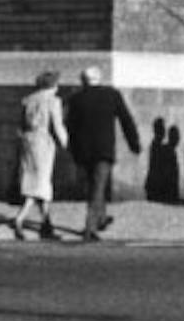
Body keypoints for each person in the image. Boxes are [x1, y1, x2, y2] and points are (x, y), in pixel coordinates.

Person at [64, 65, 141, 240]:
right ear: (99, 79)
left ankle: (102, 218)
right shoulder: (111, 95)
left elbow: (71, 126)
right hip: (103, 149)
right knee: (98, 186)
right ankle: (90, 227)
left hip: (83, 150)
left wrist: (73, 149)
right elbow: (126, 119)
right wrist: (134, 143)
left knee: (94, 184)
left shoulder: (76, 99)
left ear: (83, 80)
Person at [9, 69, 68, 239]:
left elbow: (19, 126)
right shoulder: (53, 101)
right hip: (43, 142)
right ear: (53, 85)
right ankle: (21, 219)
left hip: (27, 141)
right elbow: (57, 125)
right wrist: (65, 142)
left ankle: (46, 224)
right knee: (42, 182)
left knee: (32, 180)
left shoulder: (28, 100)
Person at [145, 116, 184, 203]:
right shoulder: (159, 147)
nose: (164, 132)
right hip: (157, 189)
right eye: (162, 129)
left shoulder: (162, 147)